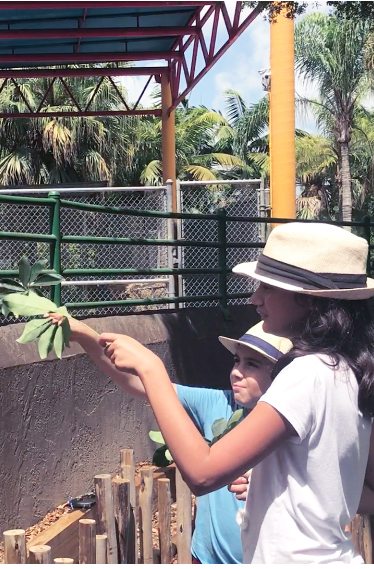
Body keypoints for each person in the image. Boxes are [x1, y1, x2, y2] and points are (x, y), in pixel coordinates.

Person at [97, 222, 374, 563]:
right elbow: (356, 486)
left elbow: (202, 472)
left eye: (268, 288)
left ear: (307, 301)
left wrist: (151, 368)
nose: (254, 298)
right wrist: (272, 480)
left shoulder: (307, 375)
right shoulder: (347, 372)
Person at [48, 310, 290, 564]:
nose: (237, 372)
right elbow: (139, 382)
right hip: (205, 558)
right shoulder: (218, 403)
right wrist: (86, 335)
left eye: (252, 364)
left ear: (283, 374)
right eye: (236, 360)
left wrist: (266, 484)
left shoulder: (292, 424)